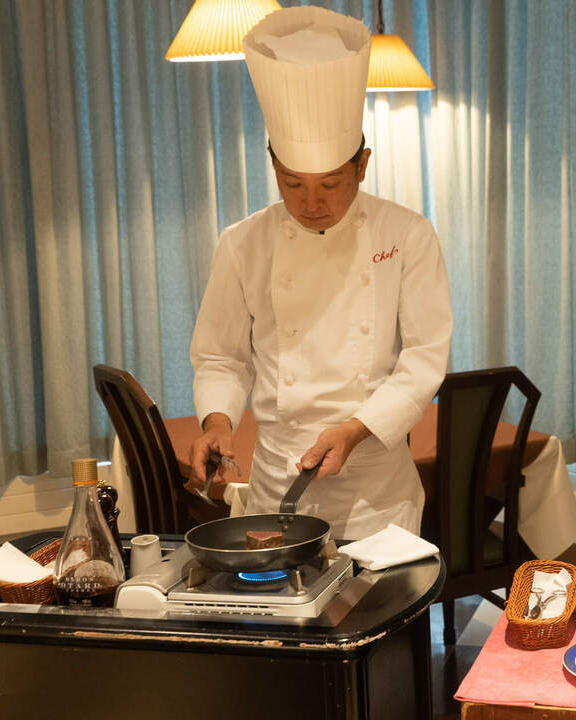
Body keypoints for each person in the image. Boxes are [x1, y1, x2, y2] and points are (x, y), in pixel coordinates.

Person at [186, 6, 452, 540]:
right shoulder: (242, 243)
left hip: (375, 493)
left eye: (330, 184)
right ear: (273, 166)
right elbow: (221, 357)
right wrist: (217, 421)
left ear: (362, 164)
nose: (311, 203)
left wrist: (354, 431)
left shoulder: (407, 234)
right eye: (292, 183)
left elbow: (424, 360)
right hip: (276, 484)